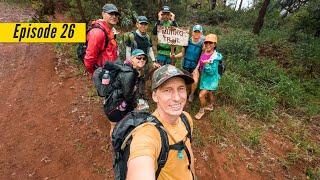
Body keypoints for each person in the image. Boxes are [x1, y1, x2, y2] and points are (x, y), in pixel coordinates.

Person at [127, 64, 196, 180]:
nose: (177, 98)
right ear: (154, 96)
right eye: (167, 90)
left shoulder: (186, 118)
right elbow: (141, 163)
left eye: (181, 88)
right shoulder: (147, 134)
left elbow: (188, 153)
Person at [103, 49, 147, 136]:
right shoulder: (129, 73)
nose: (141, 60)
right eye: (139, 58)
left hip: (113, 102)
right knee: (115, 127)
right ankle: (116, 145)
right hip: (115, 106)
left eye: (144, 58)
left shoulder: (129, 68)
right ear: (132, 59)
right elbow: (128, 95)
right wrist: (136, 105)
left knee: (117, 126)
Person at [124, 16, 156, 100]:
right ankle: (133, 96)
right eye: (141, 24)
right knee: (133, 79)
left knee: (143, 79)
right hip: (134, 63)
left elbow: (150, 49)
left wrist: (153, 60)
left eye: (145, 24)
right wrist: (129, 63)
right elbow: (128, 50)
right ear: (137, 24)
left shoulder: (148, 37)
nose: (143, 26)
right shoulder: (131, 36)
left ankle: (142, 94)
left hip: (144, 62)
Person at [84, 3, 120, 75]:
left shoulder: (110, 30)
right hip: (102, 72)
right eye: (111, 13)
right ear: (103, 14)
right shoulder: (98, 32)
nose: (114, 16)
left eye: (116, 14)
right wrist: (95, 73)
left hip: (111, 70)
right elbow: (89, 58)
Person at [194, 34, 223, 120]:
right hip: (205, 78)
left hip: (211, 80)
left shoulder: (215, 57)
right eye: (206, 42)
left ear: (214, 44)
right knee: (210, 93)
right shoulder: (205, 52)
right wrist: (197, 68)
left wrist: (206, 65)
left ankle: (201, 110)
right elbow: (200, 61)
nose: (208, 44)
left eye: (210, 43)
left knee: (201, 95)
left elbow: (212, 72)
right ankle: (210, 106)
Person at [174, 24, 205, 102]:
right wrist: (174, 56)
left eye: (199, 32)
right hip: (185, 64)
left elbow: (201, 58)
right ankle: (183, 94)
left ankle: (191, 94)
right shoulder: (187, 41)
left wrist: (197, 68)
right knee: (183, 81)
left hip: (195, 66)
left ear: (201, 33)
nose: (197, 34)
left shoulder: (202, 45)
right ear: (192, 32)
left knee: (195, 81)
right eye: (195, 32)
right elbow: (183, 54)